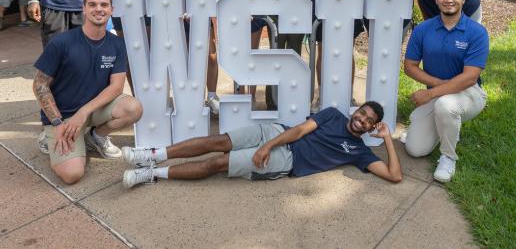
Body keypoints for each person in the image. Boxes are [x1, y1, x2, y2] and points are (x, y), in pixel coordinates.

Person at [121, 101, 402, 188]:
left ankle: (152, 173)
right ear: (356, 111)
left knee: (218, 163)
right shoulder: (333, 115)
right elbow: (300, 130)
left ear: (371, 127)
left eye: (368, 121)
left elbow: (394, 176)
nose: (361, 120)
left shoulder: (360, 152)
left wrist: (388, 138)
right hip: (279, 133)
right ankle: (153, 154)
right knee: (218, 141)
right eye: (361, 113)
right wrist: (267, 144)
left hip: (288, 162)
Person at [32, 0, 143, 184]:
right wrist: (58, 123)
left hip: (92, 110)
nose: (98, 9)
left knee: (133, 108)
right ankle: (48, 136)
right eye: (92, 4)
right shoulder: (62, 42)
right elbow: (39, 85)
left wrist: (83, 113)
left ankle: (95, 136)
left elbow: (116, 87)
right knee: (72, 175)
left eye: (104, 5)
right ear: (83, 9)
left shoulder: (117, 44)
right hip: (63, 116)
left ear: (112, 10)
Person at [403, 0, 489, 183]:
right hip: (440, 92)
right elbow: (409, 67)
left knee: (445, 105)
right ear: (436, 0)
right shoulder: (423, 29)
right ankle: (432, 123)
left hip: (469, 94)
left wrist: (430, 93)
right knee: (415, 149)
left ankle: (448, 157)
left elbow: (470, 78)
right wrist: (442, 86)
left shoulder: (476, 32)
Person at [153, 0, 220, 114]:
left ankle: (212, 96)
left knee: (210, 56)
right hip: (172, 24)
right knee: (179, 61)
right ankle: (187, 97)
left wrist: (195, 11)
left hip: (198, 21)